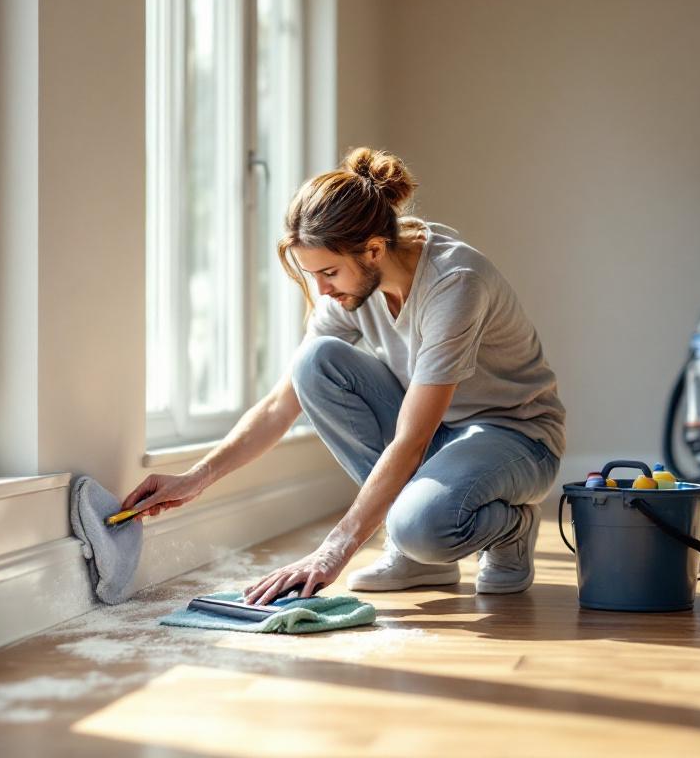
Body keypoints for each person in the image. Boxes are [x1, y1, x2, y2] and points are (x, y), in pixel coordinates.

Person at [121, 147, 565, 606]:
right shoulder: (353, 288)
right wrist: (195, 477)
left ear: (374, 250)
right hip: (439, 436)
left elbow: (412, 441)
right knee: (315, 362)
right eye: (313, 275)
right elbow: (281, 403)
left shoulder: (454, 283)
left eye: (329, 272)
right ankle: (415, 556)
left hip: (516, 438)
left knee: (422, 527)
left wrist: (334, 549)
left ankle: (510, 529)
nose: (322, 291)